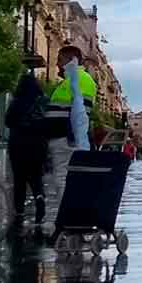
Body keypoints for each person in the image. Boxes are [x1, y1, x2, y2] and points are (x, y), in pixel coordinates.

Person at [41, 44, 97, 221]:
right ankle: (69, 218)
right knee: (64, 178)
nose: (57, 64)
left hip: (67, 138)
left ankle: (66, 219)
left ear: (71, 60)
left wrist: (71, 135)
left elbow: (81, 111)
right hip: (64, 137)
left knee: (62, 178)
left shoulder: (80, 79)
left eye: (60, 60)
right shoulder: (71, 80)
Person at [5, 59, 51, 229]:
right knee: (36, 176)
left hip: (18, 143)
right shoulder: (43, 101)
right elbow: (48, 123)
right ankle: (39, 197)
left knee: (20, 179)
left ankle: (19, 211)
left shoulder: (17, 102)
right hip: (38, 143)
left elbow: (8, 121)